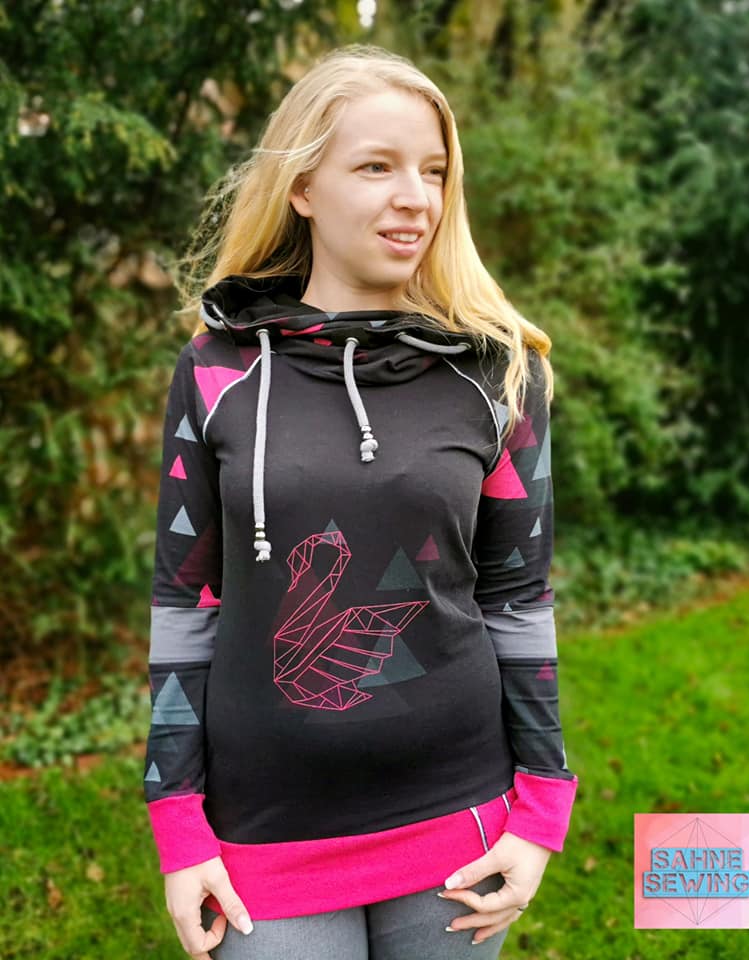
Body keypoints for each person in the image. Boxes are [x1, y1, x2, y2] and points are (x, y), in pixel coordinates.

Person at [144, 43, 578, 960]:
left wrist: (541, 808)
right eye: (376, 167)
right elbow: (186, 604)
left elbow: (517, 601)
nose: (415, 196)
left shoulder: (498, 372)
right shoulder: (217, 370)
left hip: (457, 818)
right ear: (302, 187)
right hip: (264, 826)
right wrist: (178, 822)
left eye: (433, 170)